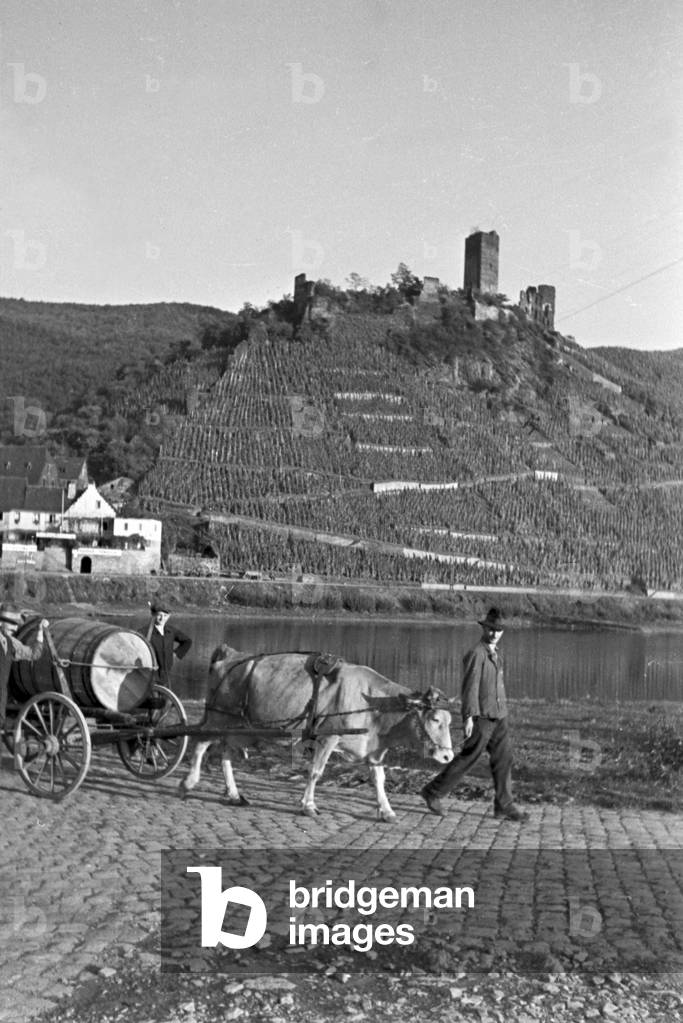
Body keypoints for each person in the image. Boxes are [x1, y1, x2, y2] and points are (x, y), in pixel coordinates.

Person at [420, 607, 529, 822]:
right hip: (481, 717)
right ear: (484, 628)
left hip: (499, 716)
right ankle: (432, 792)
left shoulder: (496, 653)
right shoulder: (476, 654)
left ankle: (503, 806)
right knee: (468, 758)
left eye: (499, 630)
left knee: (504, 758)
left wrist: (502, 711)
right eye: (491, 629)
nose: (494, 634)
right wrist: (468, 716)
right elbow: (470, 687)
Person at [0, 605, 49, 737]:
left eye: (17, 625)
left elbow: (33, 654)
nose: (15, 628)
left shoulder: (10, 643)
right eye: (12, 624)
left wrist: (40, 631)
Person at [143, 600, 192, 689]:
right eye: (159, 615)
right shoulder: (144, 632)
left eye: (165, 615)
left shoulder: (171, 631)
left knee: (165, 699)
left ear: (169, 616)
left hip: (166, 675)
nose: (162, 618)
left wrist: (175, 654)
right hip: (150, 675)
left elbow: (187, 641)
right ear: (153, 615)